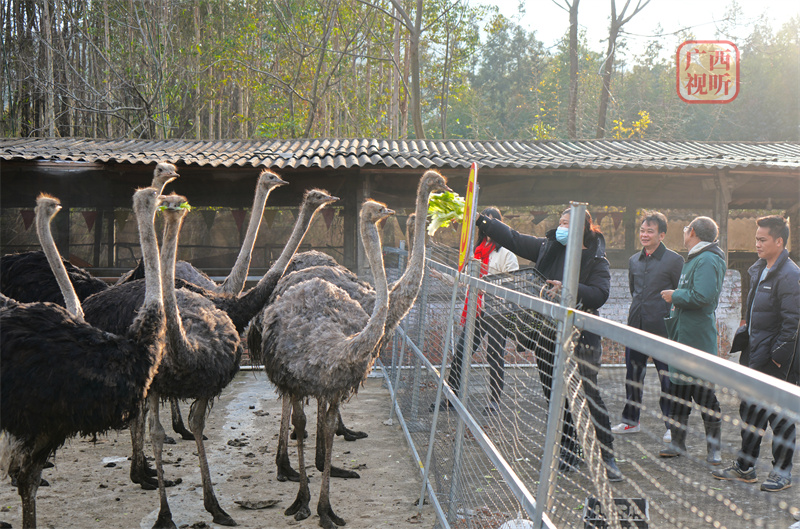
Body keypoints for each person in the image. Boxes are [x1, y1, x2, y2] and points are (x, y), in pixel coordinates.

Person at [476, 207, 623, 482]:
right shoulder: (548, 247)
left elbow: (599, 294)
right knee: (555, 395)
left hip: (581, 339)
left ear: (583, 228)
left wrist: (568, 288)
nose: (561, 227)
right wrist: (484, 220)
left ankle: (607, 455)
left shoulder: (596, 260)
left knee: (588, 396)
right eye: (560, 222)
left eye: (568, 223)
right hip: (545, 334)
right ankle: (569, 448)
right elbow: (515, 239)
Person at [712, 215, 799, 492]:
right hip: (754, 355)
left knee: (780, 416)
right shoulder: (759, 268)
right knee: (750, 410)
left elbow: (792, 324)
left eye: (762, 240)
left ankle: (781, 472)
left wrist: (777, 358)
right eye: (756, 239)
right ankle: (745, 467)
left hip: (777, 361)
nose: (757, 244)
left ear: (779, 241)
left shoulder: (790, 276)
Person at [659, 216, 726, 465]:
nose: (684, 232)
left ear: (694, 232)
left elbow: (703, 296)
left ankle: (713, 449)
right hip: (682, 335)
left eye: (686, 229)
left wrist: (675, 295)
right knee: (678, 391)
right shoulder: (696, 259)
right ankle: (678, 443)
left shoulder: (708, 259)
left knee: (704, 393)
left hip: (697, 338)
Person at [612, 212, 684, 443]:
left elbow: (680, 294)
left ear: (661, 234)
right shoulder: (634, 260)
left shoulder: (675, 260)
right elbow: (635, 291)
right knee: (633, 374)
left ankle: (672, 426)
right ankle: (630, 421)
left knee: (667, 378)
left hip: (663, 328)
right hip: (637, 325)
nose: (644, 234)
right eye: (642, 230)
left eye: (650, 231)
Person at [445, 207, 519, 414]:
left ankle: (494, 401)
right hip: (476, 310)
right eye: (485, 221)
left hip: (497, 311)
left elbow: (512, 284)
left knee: (494, 355)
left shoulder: (506, 253)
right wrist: (442, 275)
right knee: (461, 353)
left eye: (493, 221)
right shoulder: (475, 251)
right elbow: (464, 280)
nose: (488, 227)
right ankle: (451, 398)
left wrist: (488, 284)